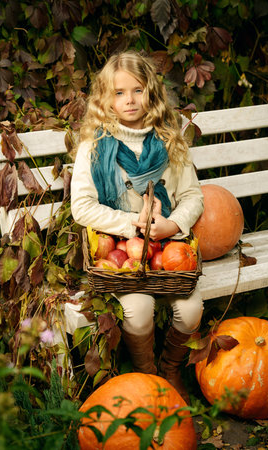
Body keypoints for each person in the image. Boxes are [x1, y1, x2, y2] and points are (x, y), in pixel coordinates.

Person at [71, 50, 204, 403]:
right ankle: (148, 375)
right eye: (118, 92)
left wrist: (170, 225)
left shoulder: (169, 137)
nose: (129, 100)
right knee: (139, 310)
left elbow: (193, 196)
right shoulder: (94, 144)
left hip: (167, 246)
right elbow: (81, 206)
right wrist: (134, 223)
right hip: (119, 249)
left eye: (137, 90)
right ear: (105, 97)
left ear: (152, 92)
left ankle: (171, 367)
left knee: (191, 310)